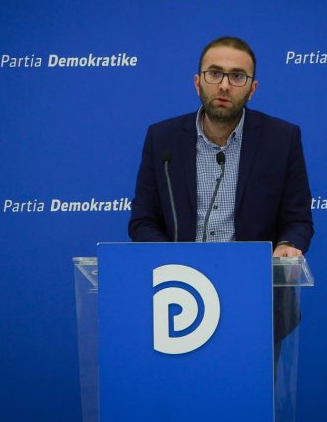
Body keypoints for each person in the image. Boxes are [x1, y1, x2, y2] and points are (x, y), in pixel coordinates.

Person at [128, 36, 314, 349]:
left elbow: (298, 219)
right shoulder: (163, 138)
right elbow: (143, 221)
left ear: (252, 88)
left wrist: (287, 245)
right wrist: (173, 260)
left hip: (256, 299)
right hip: (178, 299)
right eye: (215, 73)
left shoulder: (282, 139)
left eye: (237, 76)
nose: (224, 85)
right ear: (197, 82)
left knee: (250, 383)